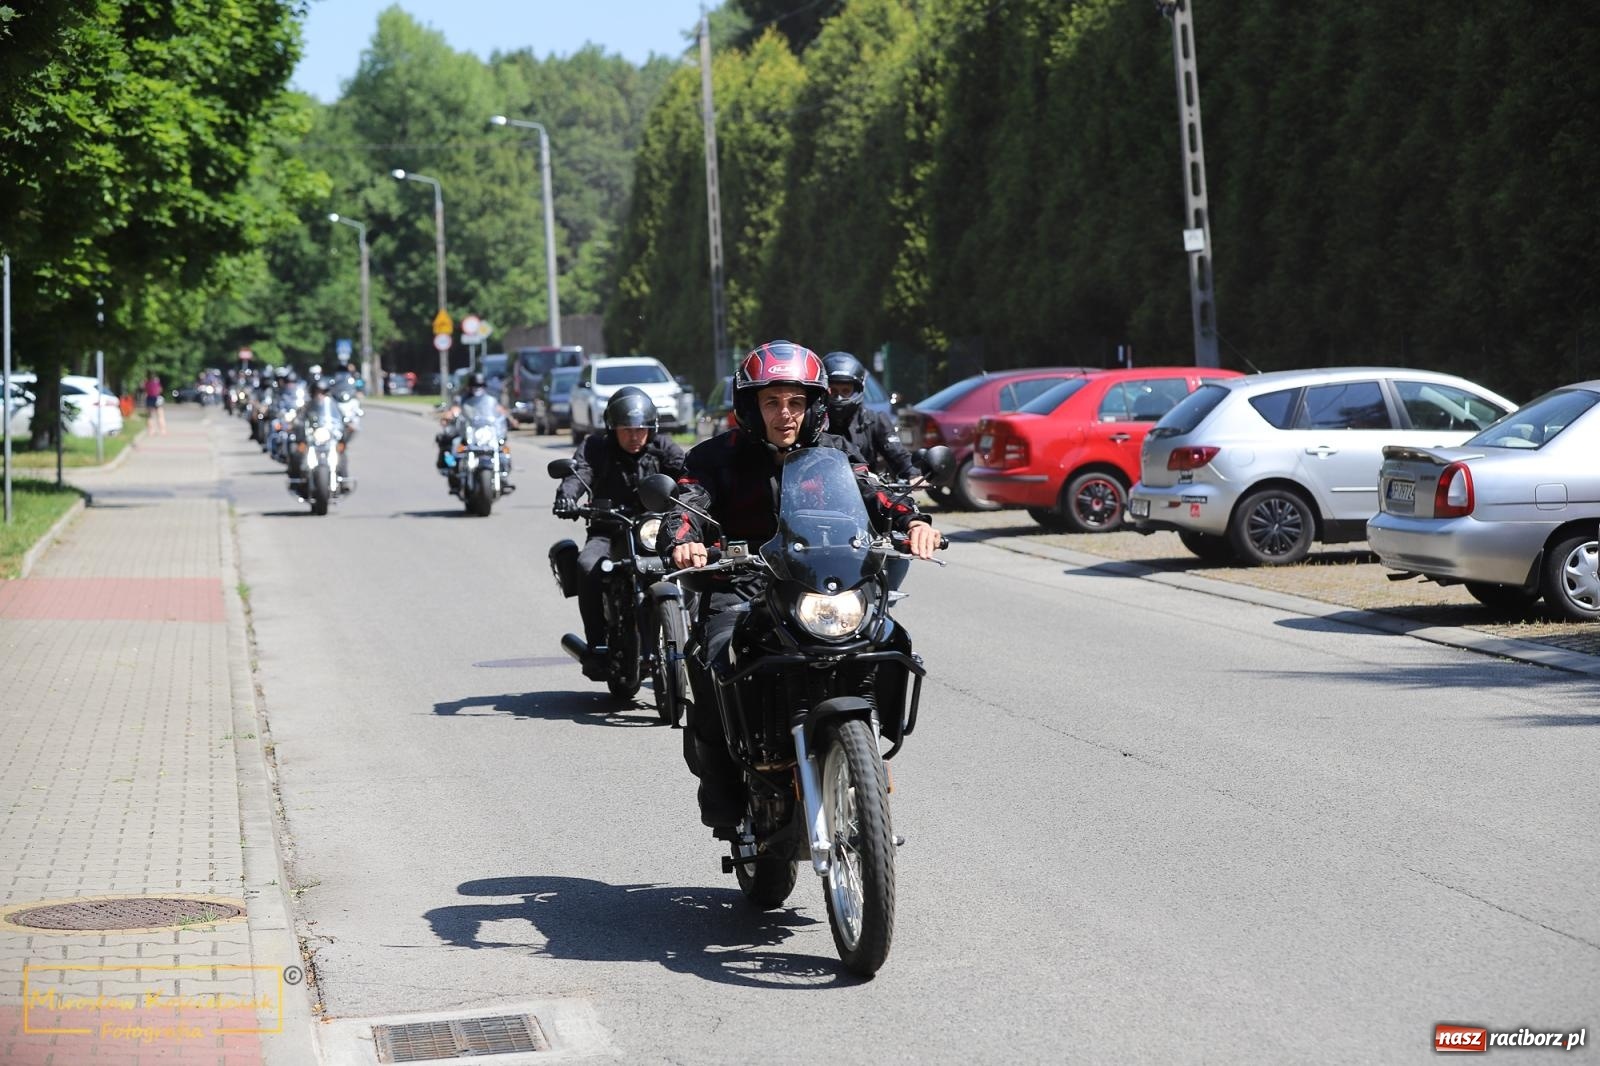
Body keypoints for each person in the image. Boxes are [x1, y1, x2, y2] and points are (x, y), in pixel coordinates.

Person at [664, 340, 941, 827]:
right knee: (712, 657)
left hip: (818, 583)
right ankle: (723, 783)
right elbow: (687, 505)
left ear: (814, 405)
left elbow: (874, 493)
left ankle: (867, 748)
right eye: (772, 402)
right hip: (741, 584)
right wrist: (684, 540)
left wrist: (913, 523)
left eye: (796, 402)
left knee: (884, 638)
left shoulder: (832, 452)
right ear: (751, 405)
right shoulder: (713, 457)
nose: (785, 414)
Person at [554, 387, 688, 679]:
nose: (634, 436)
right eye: (626, 429)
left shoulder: (663, 448)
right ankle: (598, 645)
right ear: (612, 428)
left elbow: (688, 475)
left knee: (690, 561)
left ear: (651, 428)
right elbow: (579, 473)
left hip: (653, 531)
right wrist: (567, 496)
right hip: (608, 528)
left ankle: (696, 637)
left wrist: (700, 496)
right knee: (587, 566)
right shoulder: (595, 447)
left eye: (640, 429)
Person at [822, 351, 915, 480]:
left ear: (857, 390)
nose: (839, 397)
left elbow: (898, 455)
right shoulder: (813, 422)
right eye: (833, 391)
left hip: (866, 494)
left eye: (845, 391)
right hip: (819, 493)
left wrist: (914, 473)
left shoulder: (874, 420)